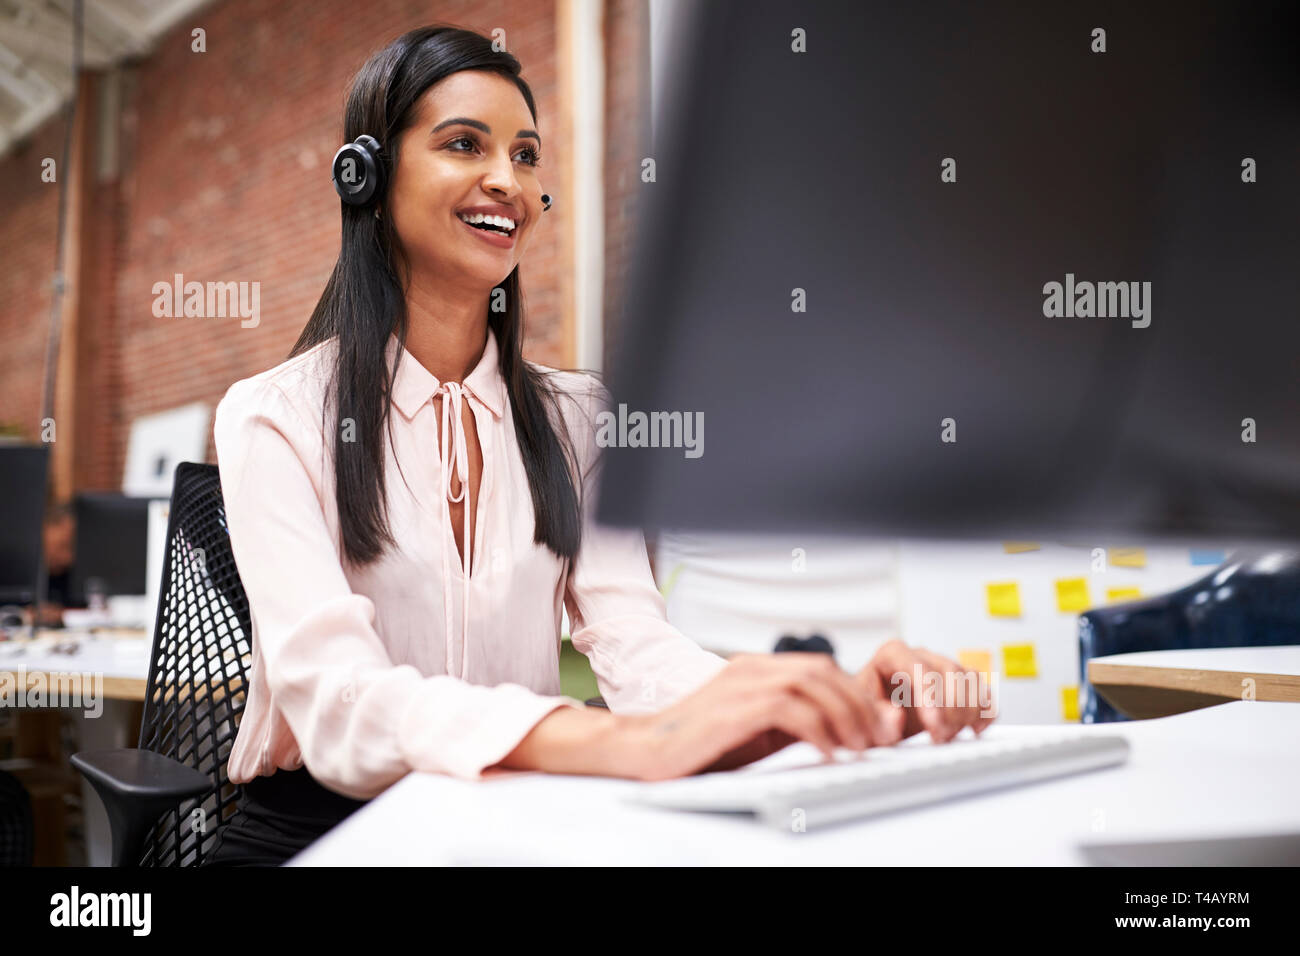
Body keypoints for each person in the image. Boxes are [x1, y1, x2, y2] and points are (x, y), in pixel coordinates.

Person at [205, 25, 992, 866]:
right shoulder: (274, 416)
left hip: (511, 809)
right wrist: (612, 743)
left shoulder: (578, 417)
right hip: (319, 828)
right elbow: (338, 699)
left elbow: (632, 641)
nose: (507, 181)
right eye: (463, 144)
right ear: (367, 173)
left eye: (527, 155)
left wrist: (807, 702)